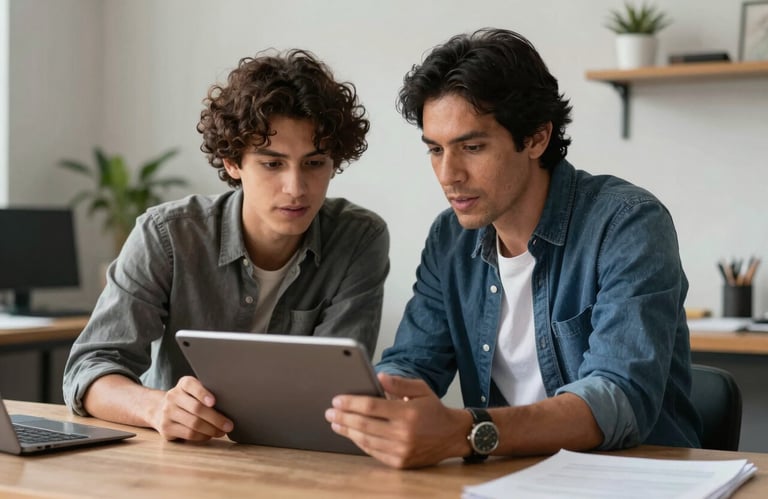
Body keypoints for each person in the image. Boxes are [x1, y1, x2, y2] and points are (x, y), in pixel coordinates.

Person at [325, 28, 701, 469]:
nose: (448, 174)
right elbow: (412, 364)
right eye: (435, 150)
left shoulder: (628, 224)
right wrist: (375, 405)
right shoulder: (450, 238)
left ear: (537, 138)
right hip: (508, 478)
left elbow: (619, 396)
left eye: (472, 147)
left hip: (635, 479)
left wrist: (467, 431)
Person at [63, 49, 390, 442]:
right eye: (272, 164)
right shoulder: (167, 235)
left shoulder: (358, 239)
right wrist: (156, 407)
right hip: (180, 454)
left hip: (298, 455)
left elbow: (335, 392)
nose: (296, 188)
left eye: (314, 163)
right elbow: (89, 368)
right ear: (233, 163)